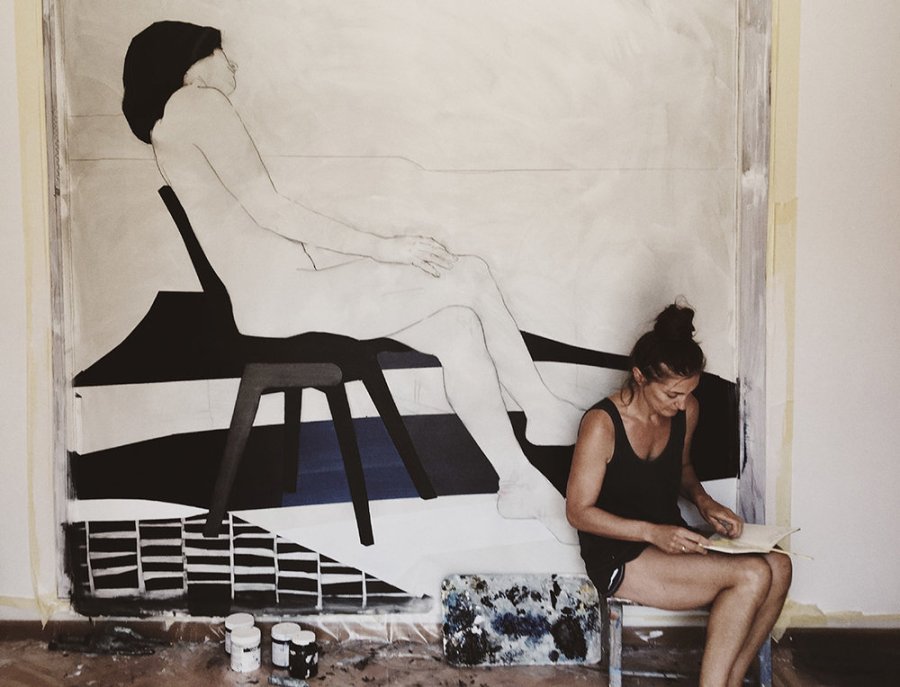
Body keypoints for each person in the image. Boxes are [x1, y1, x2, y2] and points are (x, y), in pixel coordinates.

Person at [122, 21, 583, 542]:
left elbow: (253, 229)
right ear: (192, 65)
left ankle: (519, 481)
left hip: (281, 298)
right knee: (470, 273)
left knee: (457, 326)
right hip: (289, 302)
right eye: (219, 53)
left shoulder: (170, 128)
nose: (232, 63)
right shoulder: (196, 104)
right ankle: (541, 410)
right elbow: (270, 208)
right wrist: (384, 248)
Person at [566, 303, 791, 687]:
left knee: (780, 565)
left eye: (689, 393)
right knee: (752, 574)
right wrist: (652, 533)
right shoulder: (602, 424)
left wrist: (705, 503)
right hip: (619, 554)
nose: (681, 404)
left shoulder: (687, 410)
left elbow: (683, 468)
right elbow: (578, 512)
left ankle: (730, 680)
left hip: (669, 535)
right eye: (672, 394)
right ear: (639, 376)